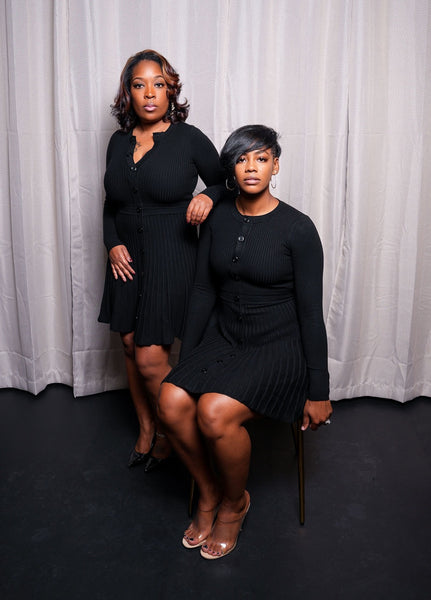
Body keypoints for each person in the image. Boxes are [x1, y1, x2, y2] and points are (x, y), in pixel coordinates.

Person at [157, 124, 332, 559]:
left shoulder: (298, 229)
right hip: (226, 335)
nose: (251, 167)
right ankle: (209, 492)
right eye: (241, 158)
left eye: (261, 158)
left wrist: (319, 391)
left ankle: (234, 505)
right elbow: (203, 291)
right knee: (171, 400)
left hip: (279, 345)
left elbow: (311, 313)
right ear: (231, 169)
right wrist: (187, 360)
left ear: (276, 165)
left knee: (213, 411)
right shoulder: (218, 217)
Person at [98, 50, 226, 470]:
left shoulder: (189, 139)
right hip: (125, 259)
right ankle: (147, 427)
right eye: (139, 85)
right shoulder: (118, 142)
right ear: (128, 93)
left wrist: (208, 196)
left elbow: (225, 183)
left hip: (173, 256)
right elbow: (111, 202)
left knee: (151, 358)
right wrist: (111, 243)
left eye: (159, 84)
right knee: (129, 346)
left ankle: (176, 433)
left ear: (171, 91)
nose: (150, 93)